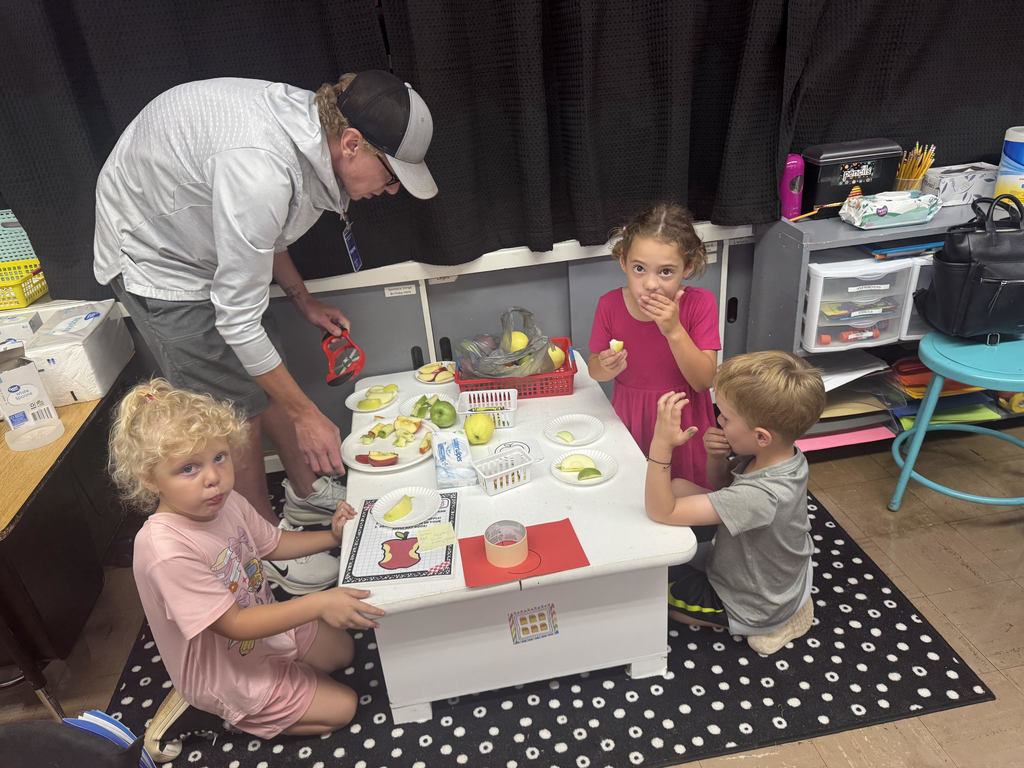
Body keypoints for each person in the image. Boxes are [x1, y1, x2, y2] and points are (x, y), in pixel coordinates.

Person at [93, 71, 437, 591]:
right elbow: (239, 305)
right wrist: (306, 414)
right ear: (351, 144)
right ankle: (262, 547)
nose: (390, 190)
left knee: (267, 365)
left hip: (204, 240)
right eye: (390, 176)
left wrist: (302, 299)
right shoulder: (261, 168)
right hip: (158, 259)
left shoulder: (307, 127)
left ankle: (304, 490)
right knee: (234, 414)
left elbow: (264, 229)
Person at [107, 378, 386, 737]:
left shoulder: (223, 501)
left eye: (219, 458)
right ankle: (222, 715)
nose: (213, 478)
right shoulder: (166, 551)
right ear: (149, 479)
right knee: (344, 707)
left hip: (260, 630)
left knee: (344, 651)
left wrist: (333, 537)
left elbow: (273, 544)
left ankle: (286, 683)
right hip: (225, 670)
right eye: (188, 468)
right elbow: (234, 624)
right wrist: (319, 603)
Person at [644, 351, 826, 655]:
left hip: (750, 601)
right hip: (767, 566)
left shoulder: (761, 494)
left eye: (726, 418)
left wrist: (661, 444)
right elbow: (722, 485)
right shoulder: (781, 454)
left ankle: (776, 621)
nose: (718, 420)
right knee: (678, 487)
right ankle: (790, 602)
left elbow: (661, 511)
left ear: (762, 437)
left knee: (657, 591)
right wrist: (716, 457)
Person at [588, 203, 720, 489]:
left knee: (683, 492)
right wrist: (606, 367)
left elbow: (703, 381)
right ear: (623, 262)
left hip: (683, 420)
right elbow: (594, 369)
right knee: (632, 493)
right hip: (631, 418)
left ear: (687, 268)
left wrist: (674, 330)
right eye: (639, 269)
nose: (650, 284)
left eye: (666, 272)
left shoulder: (700, 304)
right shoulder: (609, 305)